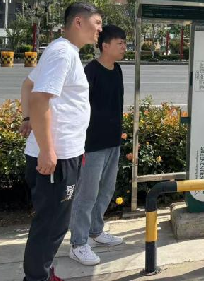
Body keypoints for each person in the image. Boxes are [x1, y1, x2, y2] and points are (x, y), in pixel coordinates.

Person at [18, 2, 102, 281]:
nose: (99, 29)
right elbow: (40, 97)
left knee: (55, 222)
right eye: (97, 23)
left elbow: (28, 86)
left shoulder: (62, 50)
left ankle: (44, 272)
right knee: (50, 226)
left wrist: (27, 118)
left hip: (64, 153)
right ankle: (36, 278)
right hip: (57, 157)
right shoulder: (63, 53)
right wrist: (47, 151)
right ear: (78, 22)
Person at [69, 25, 127, 265]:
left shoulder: (118, 70)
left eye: (124, 43)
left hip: (113, 141)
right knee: (87, 193)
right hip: (92, 144)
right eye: (120, 43)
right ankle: (78, 243)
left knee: (106, 190)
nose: (124, 47)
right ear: (105, 45)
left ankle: (95, 231)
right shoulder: (90, 71)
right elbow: (79, 107)